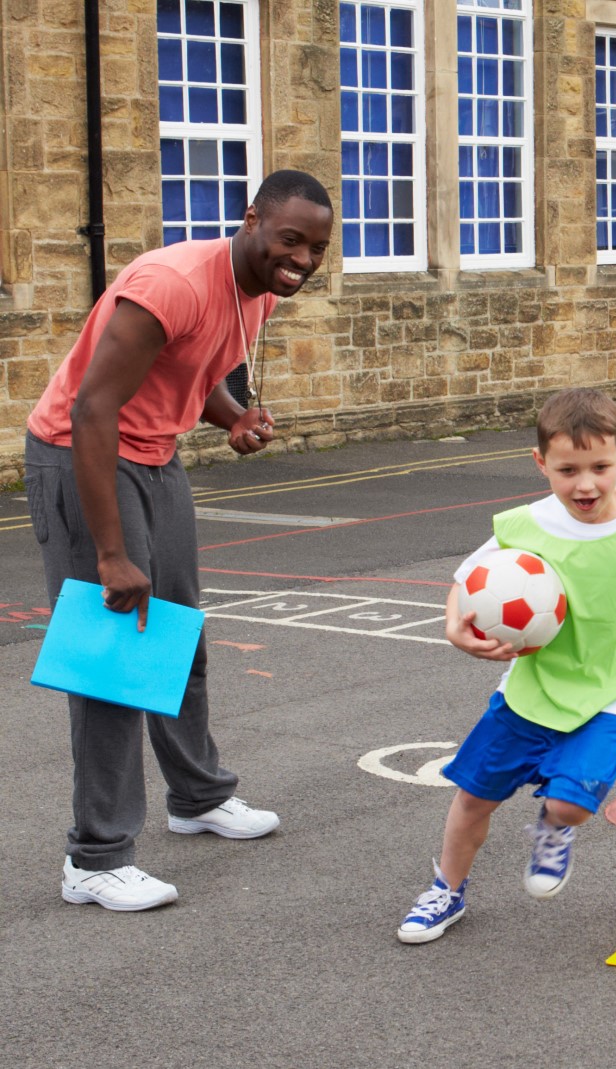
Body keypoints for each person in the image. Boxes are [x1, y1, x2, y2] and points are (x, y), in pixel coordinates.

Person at [24, 170, 334, 911]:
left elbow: (191, 372)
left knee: (177, 634)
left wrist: (228, 416)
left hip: (155, 456)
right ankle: (94, 857)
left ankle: (195, 795)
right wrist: (109, 552)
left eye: (319, 247)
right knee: (114, 654)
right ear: (252, 219)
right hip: (84, 456)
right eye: (291, 239)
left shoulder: (256, 288)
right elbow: (92, 408)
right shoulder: (171, 283)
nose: (304, 259)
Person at [397, 388, 616, 943]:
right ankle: (446, 891)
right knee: (473, 797)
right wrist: (455, 627)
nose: (585, 484)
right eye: (568, 470)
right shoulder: (524, 526)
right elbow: (468, 579)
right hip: (534, 686)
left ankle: (552, 829)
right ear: (541, 463)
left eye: (601, 467)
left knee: (570, 805)